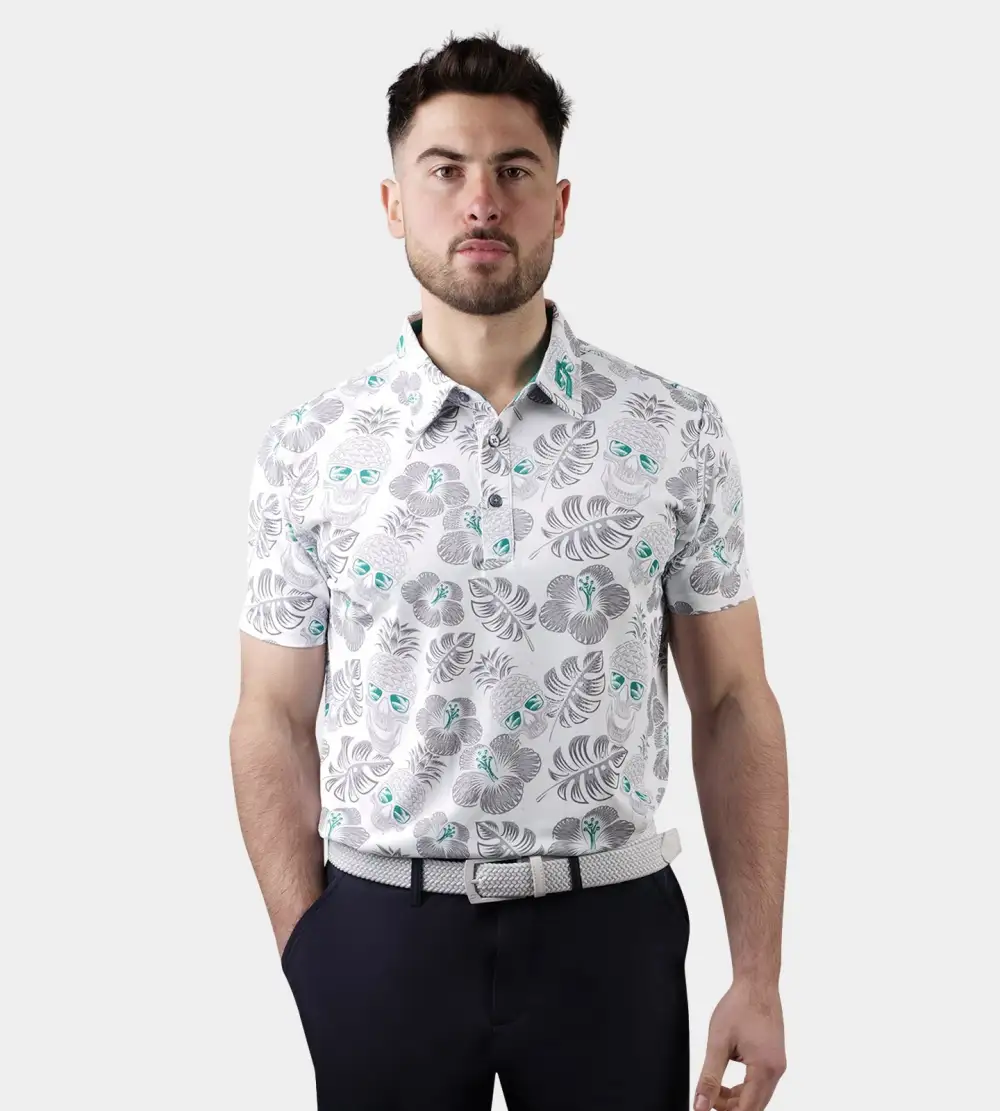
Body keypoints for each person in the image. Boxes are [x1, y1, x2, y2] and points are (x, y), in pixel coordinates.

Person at [229, 30, 788, 1111]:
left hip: (609, 934)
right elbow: (269, 715)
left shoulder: (673, 431)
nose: (480, 201)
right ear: (393, 203)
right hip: (381, 936)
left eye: (514, 170)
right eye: (444, 170)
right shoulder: (312, 447)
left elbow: (732, 700)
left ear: (560, 203)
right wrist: (310, 946)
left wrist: (757, 976)